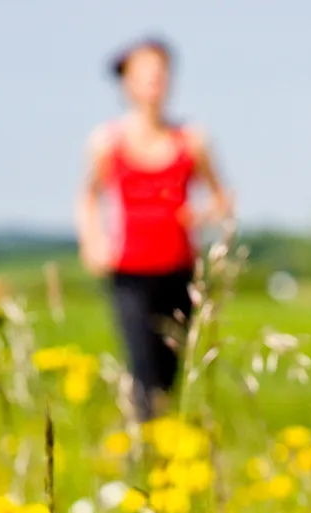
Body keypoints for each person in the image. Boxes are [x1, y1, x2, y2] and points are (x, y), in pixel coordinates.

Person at [75, 36, 233, 422]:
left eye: (161, 73)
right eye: (144, 74)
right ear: (126, 82)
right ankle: (141, 444)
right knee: (142, 366)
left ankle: (158, 440)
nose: (154, 81)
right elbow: (88, 197)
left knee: (169, 370)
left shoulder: (191, 140)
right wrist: (93, 242)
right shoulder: (107, 141)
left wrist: (201, 215)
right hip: (130, 271)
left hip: (180, 269)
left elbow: (222, 198)